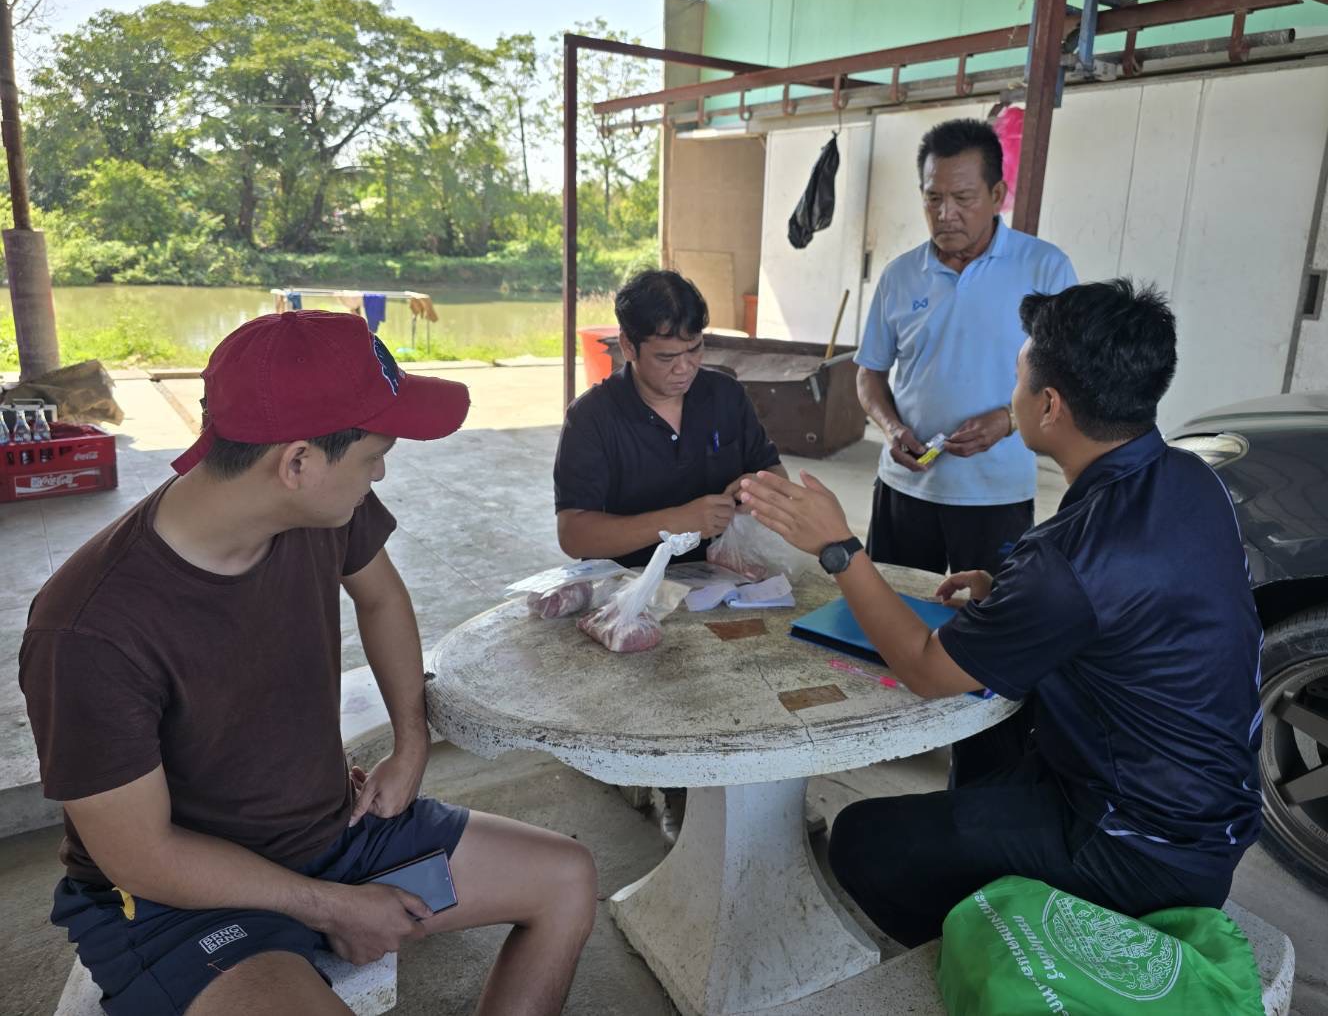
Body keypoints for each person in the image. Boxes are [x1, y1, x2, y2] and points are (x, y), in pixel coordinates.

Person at [19, 311, 597, 1016]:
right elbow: (142, 856)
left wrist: (411, 742)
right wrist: (333, 907)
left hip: (337, 833)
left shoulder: (322, 509)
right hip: (183, 904)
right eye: (374, 454)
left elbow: (381, 598)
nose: (380, 471)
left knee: (566, 878)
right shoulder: (88, 629)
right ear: (297, 463)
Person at [740, 280, 1264, 947]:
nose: (1011, 394)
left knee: (864, 839)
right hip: (1209, 815)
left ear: (1049, 405)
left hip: (1135, 848)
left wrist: (839, 548)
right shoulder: (1190, 479)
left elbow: (927, 670)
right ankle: (990, 857)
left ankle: (1003, 947)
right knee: (986, 730)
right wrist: (1007, 591)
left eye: (1017, 379)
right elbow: (1133, 604)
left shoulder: (1068, 560)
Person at [855, 117, 1077, 580]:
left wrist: (1009, 420)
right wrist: (891, 428)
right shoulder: (900, 276)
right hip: (906, 486)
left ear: (997, 195)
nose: (945, 213)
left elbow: (1070, 375)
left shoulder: (1044, 268)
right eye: (933, 198)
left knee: (989, 610)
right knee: (893, 605)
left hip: (996, 493)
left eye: (962, 198)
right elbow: (869, 372)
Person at [554, 268, 785, 568]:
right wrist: (677, 521)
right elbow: (573, 535)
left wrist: (757, 488)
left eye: (695, 349)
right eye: (666, 357)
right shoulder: (591, 417)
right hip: (629, 584)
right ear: (628, 346)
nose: (684, 368)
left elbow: (774, 472)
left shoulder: (725, 395)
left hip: (721, 575)